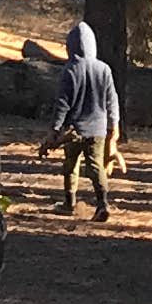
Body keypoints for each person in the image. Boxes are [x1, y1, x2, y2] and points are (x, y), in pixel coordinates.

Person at [54, 17, 121, 219]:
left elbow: (62, 103)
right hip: (98, 130)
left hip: (74, 130)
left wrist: (55, 129)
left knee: (70, 165)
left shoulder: (70, 70)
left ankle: (69, 202)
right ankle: (102, 204)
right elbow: (112, 100)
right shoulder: (104, 69)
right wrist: (113, 125)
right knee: (95, 166)